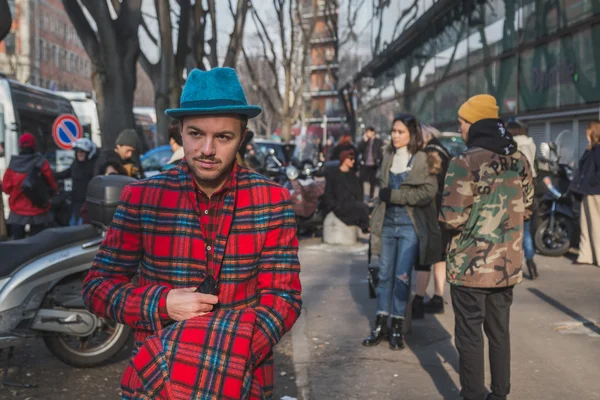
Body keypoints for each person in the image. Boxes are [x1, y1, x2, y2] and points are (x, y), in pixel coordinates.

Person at [81, 67, 301, 398]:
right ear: (180, 132)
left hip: (242, 381)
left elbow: (283, 298)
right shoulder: (143, 198)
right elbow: (98, 287)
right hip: (161, 380)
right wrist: (161, 303)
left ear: (241, 138)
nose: (207, 149)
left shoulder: (271, 201)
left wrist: (228, 356)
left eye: (223, 137)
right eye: (196, 134)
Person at [440, 94, 533, 400]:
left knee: (469, 337)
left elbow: (452, 218)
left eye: (463, 122)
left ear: (476, 123)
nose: (461, 128)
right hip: (506, 265)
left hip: (470, 267)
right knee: (499, 333)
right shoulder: (518, 160)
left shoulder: (464, 162)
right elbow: (529, 207)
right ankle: (500, 394)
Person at [363, 113, 442, 350]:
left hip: (410, 225)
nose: (395, 136)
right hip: (387, 223)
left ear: (412, 135)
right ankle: (380, 324)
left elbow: (428, 192)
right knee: (384, 274)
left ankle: (397, 326)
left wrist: (395, 196)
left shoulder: (422, 159)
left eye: (400, 132)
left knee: (402, 277)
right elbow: (382, 190)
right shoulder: (387, 157)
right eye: (394, 131)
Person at [412, 123, 452, 319]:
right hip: (445, 211)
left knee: (423, 258)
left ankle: (418, 300)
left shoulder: (429, 153)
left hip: (430, 212)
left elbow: (426, 187)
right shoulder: (444, 150)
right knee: (440, 256)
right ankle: (438, 297)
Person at [2, 133, 58, 239]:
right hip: (38, 212)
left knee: (17, 245)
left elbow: (6, 188)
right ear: (34, 145)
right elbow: (52, 185)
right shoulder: (41, 162)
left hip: (17, 213)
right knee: (38, 244)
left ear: (20, 145)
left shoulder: (13, 164)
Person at [506, 119, 539, 279]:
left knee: (512, 231)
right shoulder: (531, 144)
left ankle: (513, 266)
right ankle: (531, 262)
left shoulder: (512, 147)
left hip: (514, 189)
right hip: (530, 187)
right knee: (526, 230)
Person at [570, 120, 600, 266]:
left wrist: (591, 181)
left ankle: (596, 256)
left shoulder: (598, 149)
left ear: (593, 131)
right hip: (588, 191)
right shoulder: (591, 149)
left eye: (587, 130)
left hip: (595, 192)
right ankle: (586, 255)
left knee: (596, 224)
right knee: (586, 224)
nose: (585, 132)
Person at [322, 148, 370, 233]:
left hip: (353, 204)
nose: (353, 161)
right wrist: (335, 206)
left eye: (354, 159)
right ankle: (366, 228)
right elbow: (328, 193)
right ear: (344, 160)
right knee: (363, 208)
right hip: (341, 206)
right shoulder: (334, 175)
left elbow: (359, 192)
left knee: (369, 209)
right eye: (351, 159)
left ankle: (367, 227)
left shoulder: (353, 175)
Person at [54, 138, 98, 226]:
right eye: (78, 151)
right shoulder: (76, 163)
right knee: (72, 226)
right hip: (75, 202)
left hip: (87, 203)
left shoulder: (93, 166)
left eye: (82, 152)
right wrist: (52, 175)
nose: (80, 153)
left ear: (88, 153)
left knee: (82, 227)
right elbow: (67, 172)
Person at [358, 126, 383, 201]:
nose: (367, 133)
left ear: (373, 132)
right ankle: (363, 196)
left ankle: (371, 196)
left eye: (368, 132)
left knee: (373, 181)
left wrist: (379, 160)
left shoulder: (378, 141)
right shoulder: (365, 141)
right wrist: (364, 141)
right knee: (363, 180)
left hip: (374, 164)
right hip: (365, 163)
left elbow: (381, 152)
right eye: (366, 132)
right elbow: (360, 150)